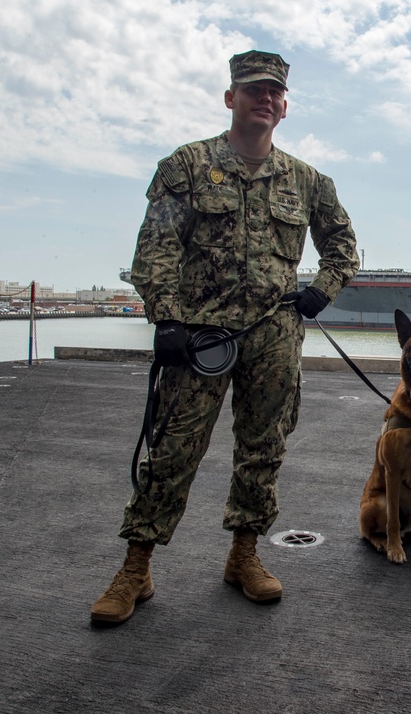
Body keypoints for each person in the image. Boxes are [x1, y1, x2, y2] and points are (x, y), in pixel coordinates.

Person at [90, 50, 360, 625]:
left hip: (274, 338)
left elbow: (343, 246)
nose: (264, 98)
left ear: (284, 109)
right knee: (174, 449)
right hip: (200, 337)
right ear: (230, 97)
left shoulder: (309, 181)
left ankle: (244, 555)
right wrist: (165, 317)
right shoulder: (186, 166)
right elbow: (156, 246)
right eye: (253, 88)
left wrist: (322, 288)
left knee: (263, 450)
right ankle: (135, 568)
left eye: (274, 92)